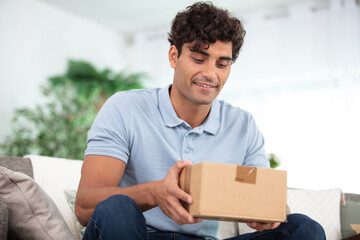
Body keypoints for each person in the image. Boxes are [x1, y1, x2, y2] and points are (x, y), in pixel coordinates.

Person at [75, 2, 326, 240]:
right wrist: (155, 193)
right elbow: (85, 206)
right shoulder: (126, 108)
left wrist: (268, 212)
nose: (210, 74)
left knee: (303, 228)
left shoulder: (243, 126)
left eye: (222, 64)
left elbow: (262, 195)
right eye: (198, 59)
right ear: (174, 56)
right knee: (116, 208)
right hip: (137, 234)